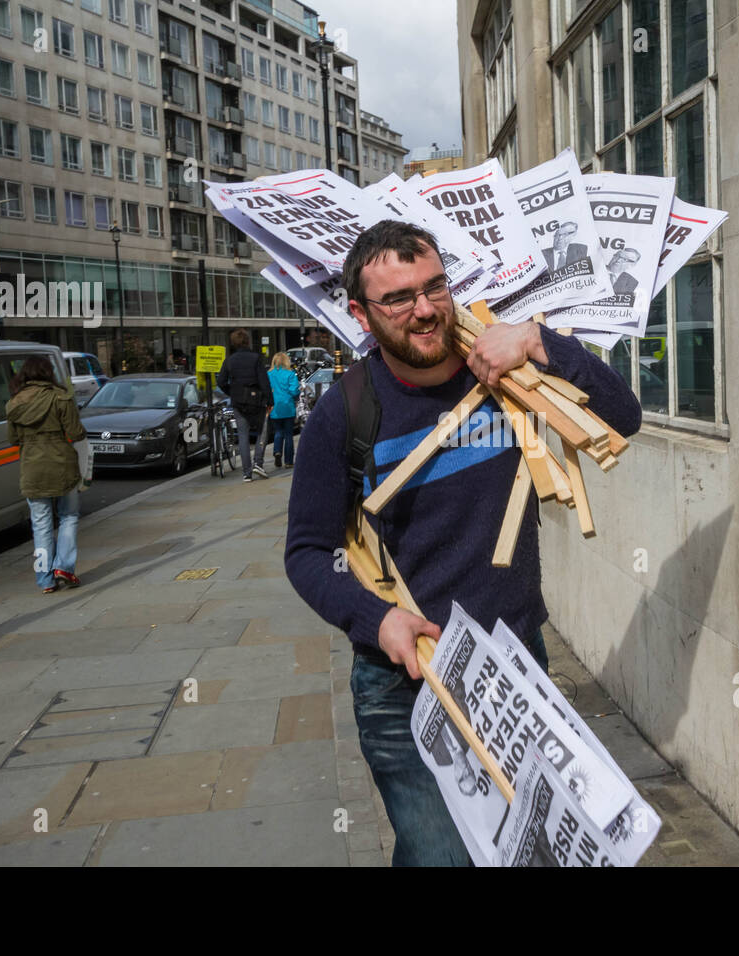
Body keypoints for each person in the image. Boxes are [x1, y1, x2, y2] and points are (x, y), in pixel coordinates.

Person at [284, 220, 641, 866]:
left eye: (434, 287)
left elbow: (624, 417)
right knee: (440, 856)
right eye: (398, 298)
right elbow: (306, 553)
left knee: (519, 852)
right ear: (362, 313)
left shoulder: (508, 375)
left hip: (514, 669)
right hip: (405, 682)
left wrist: (538, 340)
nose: (424, 309)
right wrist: (377, 620)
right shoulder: (345, 412)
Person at [6, 356, 86, 594]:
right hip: (62, 464)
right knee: (68, 516)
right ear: (48, 373)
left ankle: (45, 579)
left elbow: (12, 439)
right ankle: (64, 567)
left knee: (40, 524)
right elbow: (76, 432)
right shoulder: (60, 397)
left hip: (31, 467)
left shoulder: (14, 403)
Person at [217, 329, 274, 482]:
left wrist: (232, 392)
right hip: (256, 401)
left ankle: (246, 473)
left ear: (234, 343)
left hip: (238, 403)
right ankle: (258, 463)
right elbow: (264, 381)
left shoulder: (229, 360)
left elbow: (220, 382)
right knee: (262, 431)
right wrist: (270, 400)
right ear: (247, 341)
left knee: (242, 436)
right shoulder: (256, 358)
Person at [267, 352, 300, 469]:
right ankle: (289, 461)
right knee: (288, 435)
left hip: (275, 407)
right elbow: (294, 390)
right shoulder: (290, 374)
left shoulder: (269, 374)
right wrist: (296, 396)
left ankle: (277, 451)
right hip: (288, 406)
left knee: (278, 431)